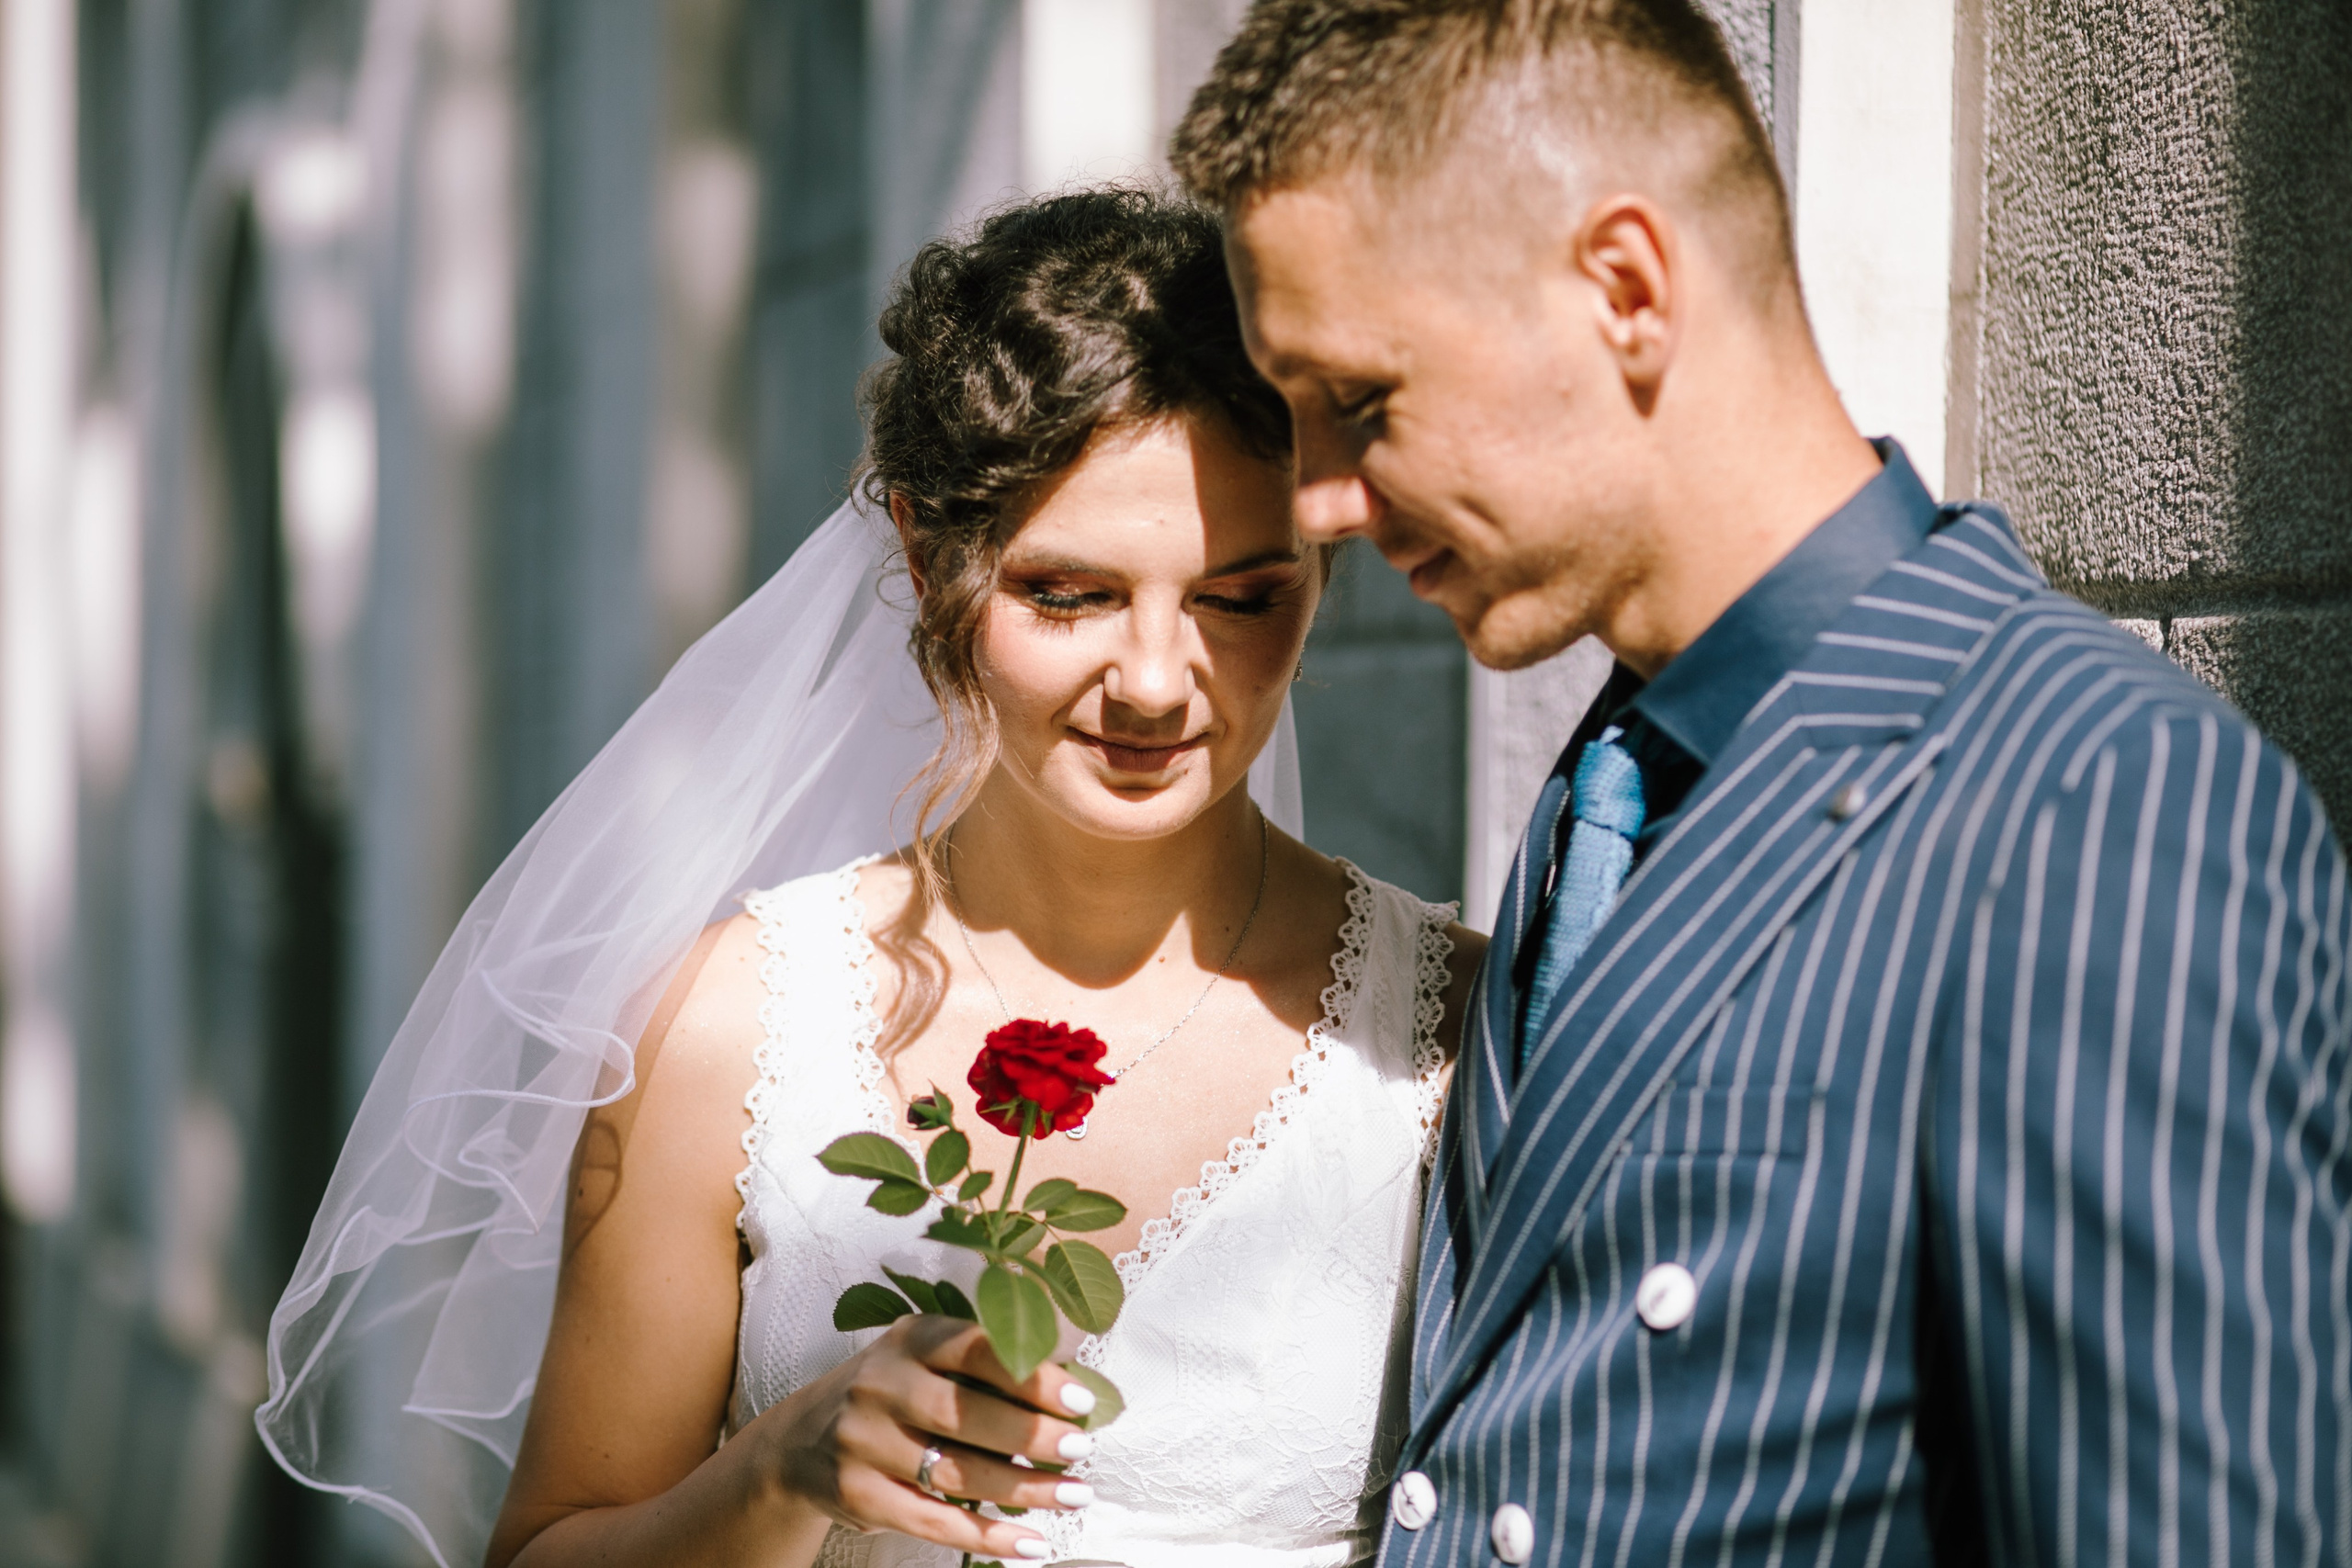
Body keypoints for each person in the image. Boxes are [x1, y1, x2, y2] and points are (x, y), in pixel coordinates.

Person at [1170, 2, 2352, 1564]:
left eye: (1364, 402)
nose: (1320, 498)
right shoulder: (1614, 780)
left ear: (1627, 288)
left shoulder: (2095, 803)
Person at [256, 188, 1483, 1568]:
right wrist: (785, 1470)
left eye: (1240, 598)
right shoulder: (729, 1037)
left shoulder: (1450, 1035)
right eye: (1069, 594)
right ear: (923, 551)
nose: (1155, 680)